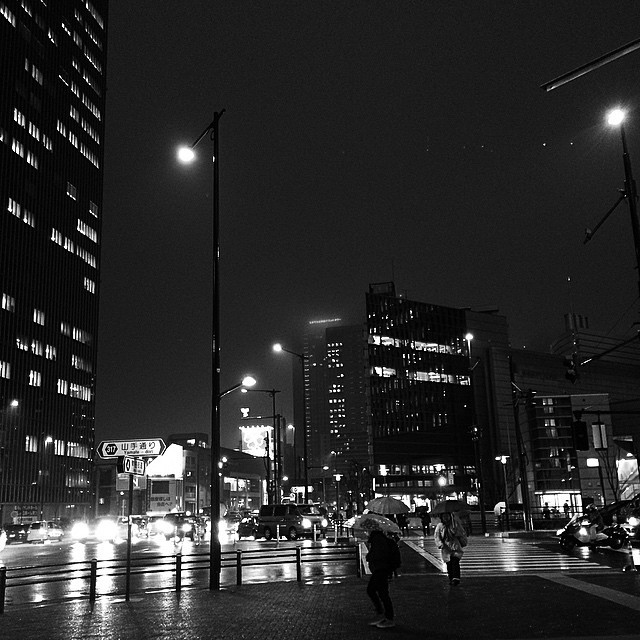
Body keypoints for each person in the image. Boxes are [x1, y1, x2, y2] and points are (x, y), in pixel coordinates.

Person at [365, 530, 399, 629]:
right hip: (382, 570)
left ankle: (387, 617)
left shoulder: (378, 540)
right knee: (380, 592)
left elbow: (377, 555)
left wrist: (369, 556)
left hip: (381, 570)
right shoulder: (379, 539)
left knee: (377, 592)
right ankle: (383, 614)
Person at [434, 512, 467, 586]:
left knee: (455, 561)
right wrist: (440, 544)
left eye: (447, 516)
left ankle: (456, 578)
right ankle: (451, 577)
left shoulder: (455, 525)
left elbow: (462, 533)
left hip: (455, 546)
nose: (446, 518)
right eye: (444, 516)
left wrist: (455, 532)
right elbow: (437, 536)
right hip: (446, 548)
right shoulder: (440, 526)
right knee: (449, 564)